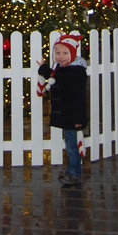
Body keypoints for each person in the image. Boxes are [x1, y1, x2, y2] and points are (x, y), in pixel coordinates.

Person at [37, 32, 88, 186]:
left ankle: (75, 174)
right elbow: (55, 77)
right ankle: (71, 169)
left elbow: (79, 99)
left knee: (73, 147)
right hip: (67, 116)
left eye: (65, 53)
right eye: (58, 53)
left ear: (72, 54)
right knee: (69, 144)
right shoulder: (63, 69)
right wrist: (44, 68)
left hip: (73, 117)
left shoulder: (75, 73)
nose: (60, 56)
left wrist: (79, 120)